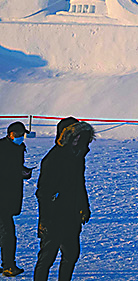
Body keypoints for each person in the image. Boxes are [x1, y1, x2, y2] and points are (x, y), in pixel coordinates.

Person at [34, 118, 94, 281]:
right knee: (47, 258)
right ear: (64, 136)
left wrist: (84, 207)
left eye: (80, 137)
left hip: (71, 216)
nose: (77, 140)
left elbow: (79, 184)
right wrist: (44, 220)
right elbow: (43, 193)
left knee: (71, 254)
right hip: (53, 217)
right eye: (74, 136)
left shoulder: (78, 156)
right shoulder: (53, 159)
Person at [0, 122, 33, 277]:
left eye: (22, 134)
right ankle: (8, 266)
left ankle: (7, 265)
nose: (21, 137)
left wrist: (22, 171)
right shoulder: (2, 147)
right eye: (18, 134)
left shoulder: (18, 147)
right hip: (2, 199)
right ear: (10, 134)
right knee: (7, 234)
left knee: (5, 233)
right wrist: (19, 173)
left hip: (10, 196)